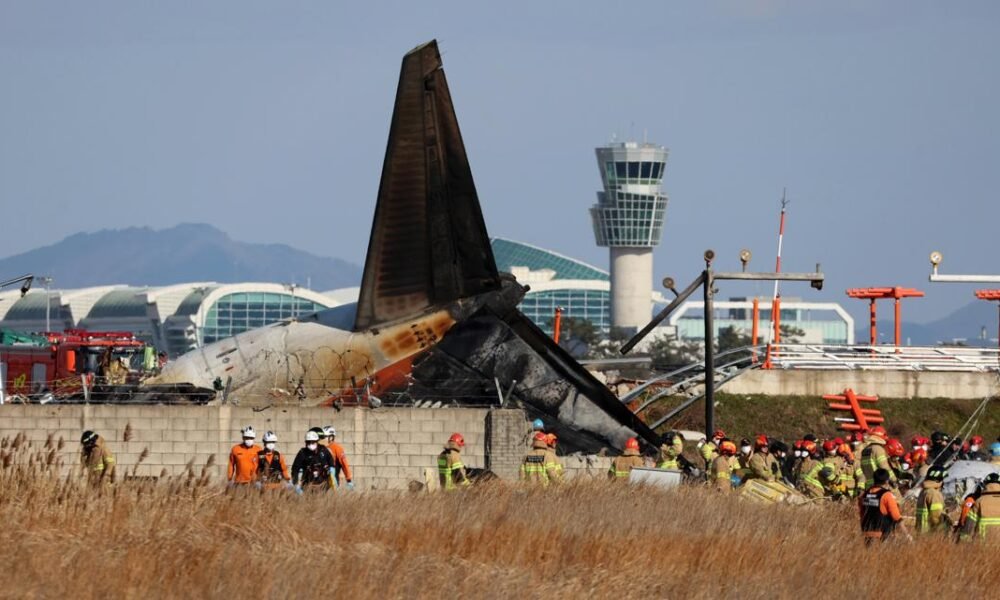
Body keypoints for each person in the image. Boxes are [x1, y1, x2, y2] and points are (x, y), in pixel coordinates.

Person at [859, 468, 910, 546]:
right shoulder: (887, 495)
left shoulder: (865, 494)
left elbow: (862, 514)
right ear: (887, 481)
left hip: (867, 534)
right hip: (882, 535)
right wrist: (907, 535)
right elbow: (896, 517)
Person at [962, 472, 1000, 543]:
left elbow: (968, 527)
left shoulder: (979, 501)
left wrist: (962, 544)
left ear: (986, 485)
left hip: (982, 547)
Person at [915, 467, 950, 535]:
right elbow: (936, 517)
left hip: (922, 533)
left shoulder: (924, 492)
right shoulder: (934, 494)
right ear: (938, 480)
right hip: (931, 534)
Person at [860, 426, 896, 490]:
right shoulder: (878, 449)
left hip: (869, 486)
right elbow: (884, 466)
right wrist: (894, 479)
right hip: (880, 484)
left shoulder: (865, 449)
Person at [322, 426, 354, 490]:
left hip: (333, 479)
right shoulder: (320, 448)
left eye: (325, 437)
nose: (323, 439)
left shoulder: (337, 448)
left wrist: (349, 480)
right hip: (321, 479)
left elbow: (344, 464)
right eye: (322, 437)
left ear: (331, 437)